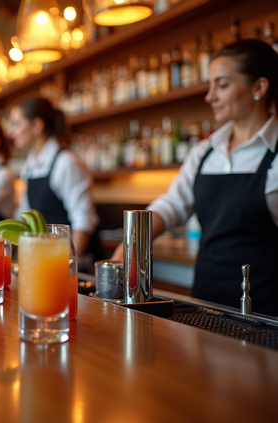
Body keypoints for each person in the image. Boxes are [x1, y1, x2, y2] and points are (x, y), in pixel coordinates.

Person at [112, 40, 278, 315]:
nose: (209, 96)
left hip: (267, 313)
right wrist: (127, 248)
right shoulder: (204, 151)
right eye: (210, 85)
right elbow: (172, 205)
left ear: (259, 87)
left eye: (222, 85)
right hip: (206, 303)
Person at [8, 98, 99, 255]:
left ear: (37, 126)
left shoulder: (66, 162)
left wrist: (68, 266)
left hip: (72, 262)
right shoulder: (29, 166)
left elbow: (83, 221)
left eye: (16, 124)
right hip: (46, 258)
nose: (11, 132)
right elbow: (24, 214)